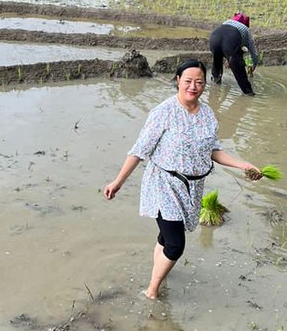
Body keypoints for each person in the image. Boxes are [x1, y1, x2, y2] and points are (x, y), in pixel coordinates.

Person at [103, 59, 262, 299]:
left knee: (165, 237)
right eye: (188, 81)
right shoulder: (164, 112)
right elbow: (139, 150)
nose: (193, 86)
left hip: (192, 187)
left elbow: (213, 150)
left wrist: (243, 164)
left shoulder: (208, 114)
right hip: (164, 184)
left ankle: (159, 273)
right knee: (176, 245)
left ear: (205, 84)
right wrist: (118, 182)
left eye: (199, 82)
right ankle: (152, 291)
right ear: (178, 81)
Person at [209, 13, 260, 96]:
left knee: (217, 61)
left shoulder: (226, 22)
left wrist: (229, 58)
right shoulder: (246, 30)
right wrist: (253, 65)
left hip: (213, 38)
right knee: (239, 70)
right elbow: (253, 52)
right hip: (230, 41)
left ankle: (215, 85)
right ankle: (248, 93)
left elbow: (223, 41)